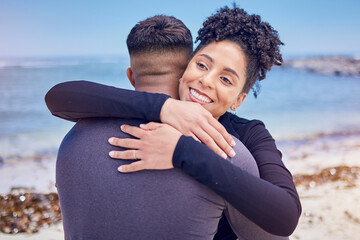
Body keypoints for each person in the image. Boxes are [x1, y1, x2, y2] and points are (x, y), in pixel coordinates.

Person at [47, 14, 287, 239]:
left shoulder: (72, 140)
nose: (205, 81)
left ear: (239, 99)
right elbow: (58, 96)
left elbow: (283, 218)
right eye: (202, 65)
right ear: (185, 70)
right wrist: (164, 107)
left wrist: (181, 151)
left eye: (226, 79)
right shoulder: (233, 155)